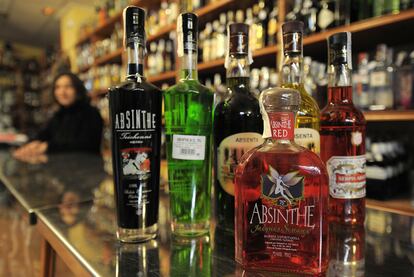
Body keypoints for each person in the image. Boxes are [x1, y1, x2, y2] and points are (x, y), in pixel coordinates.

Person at [13, 72, 103, 157]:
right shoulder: (58, 115)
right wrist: (32, 144)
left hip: (87, 170)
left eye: (68, 86)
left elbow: (86, 146)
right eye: (58, 87)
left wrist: (47, 147)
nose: (62, 92)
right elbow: (42, 135)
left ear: (78, 89)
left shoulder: (91, 113)